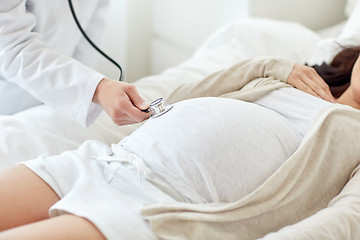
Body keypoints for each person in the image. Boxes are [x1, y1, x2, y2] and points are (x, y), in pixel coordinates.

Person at [0, 45, 359, 239]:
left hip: (156, 211)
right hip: (107, 162)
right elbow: (174, 99)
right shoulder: (289, 79)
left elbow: (345, 218)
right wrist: (264, 68)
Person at [0, 0, 151, 167]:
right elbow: (12, 48)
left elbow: (90, 28)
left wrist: (89, 88)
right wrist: (97, 89)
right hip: (8, 98)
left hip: (58, 97)